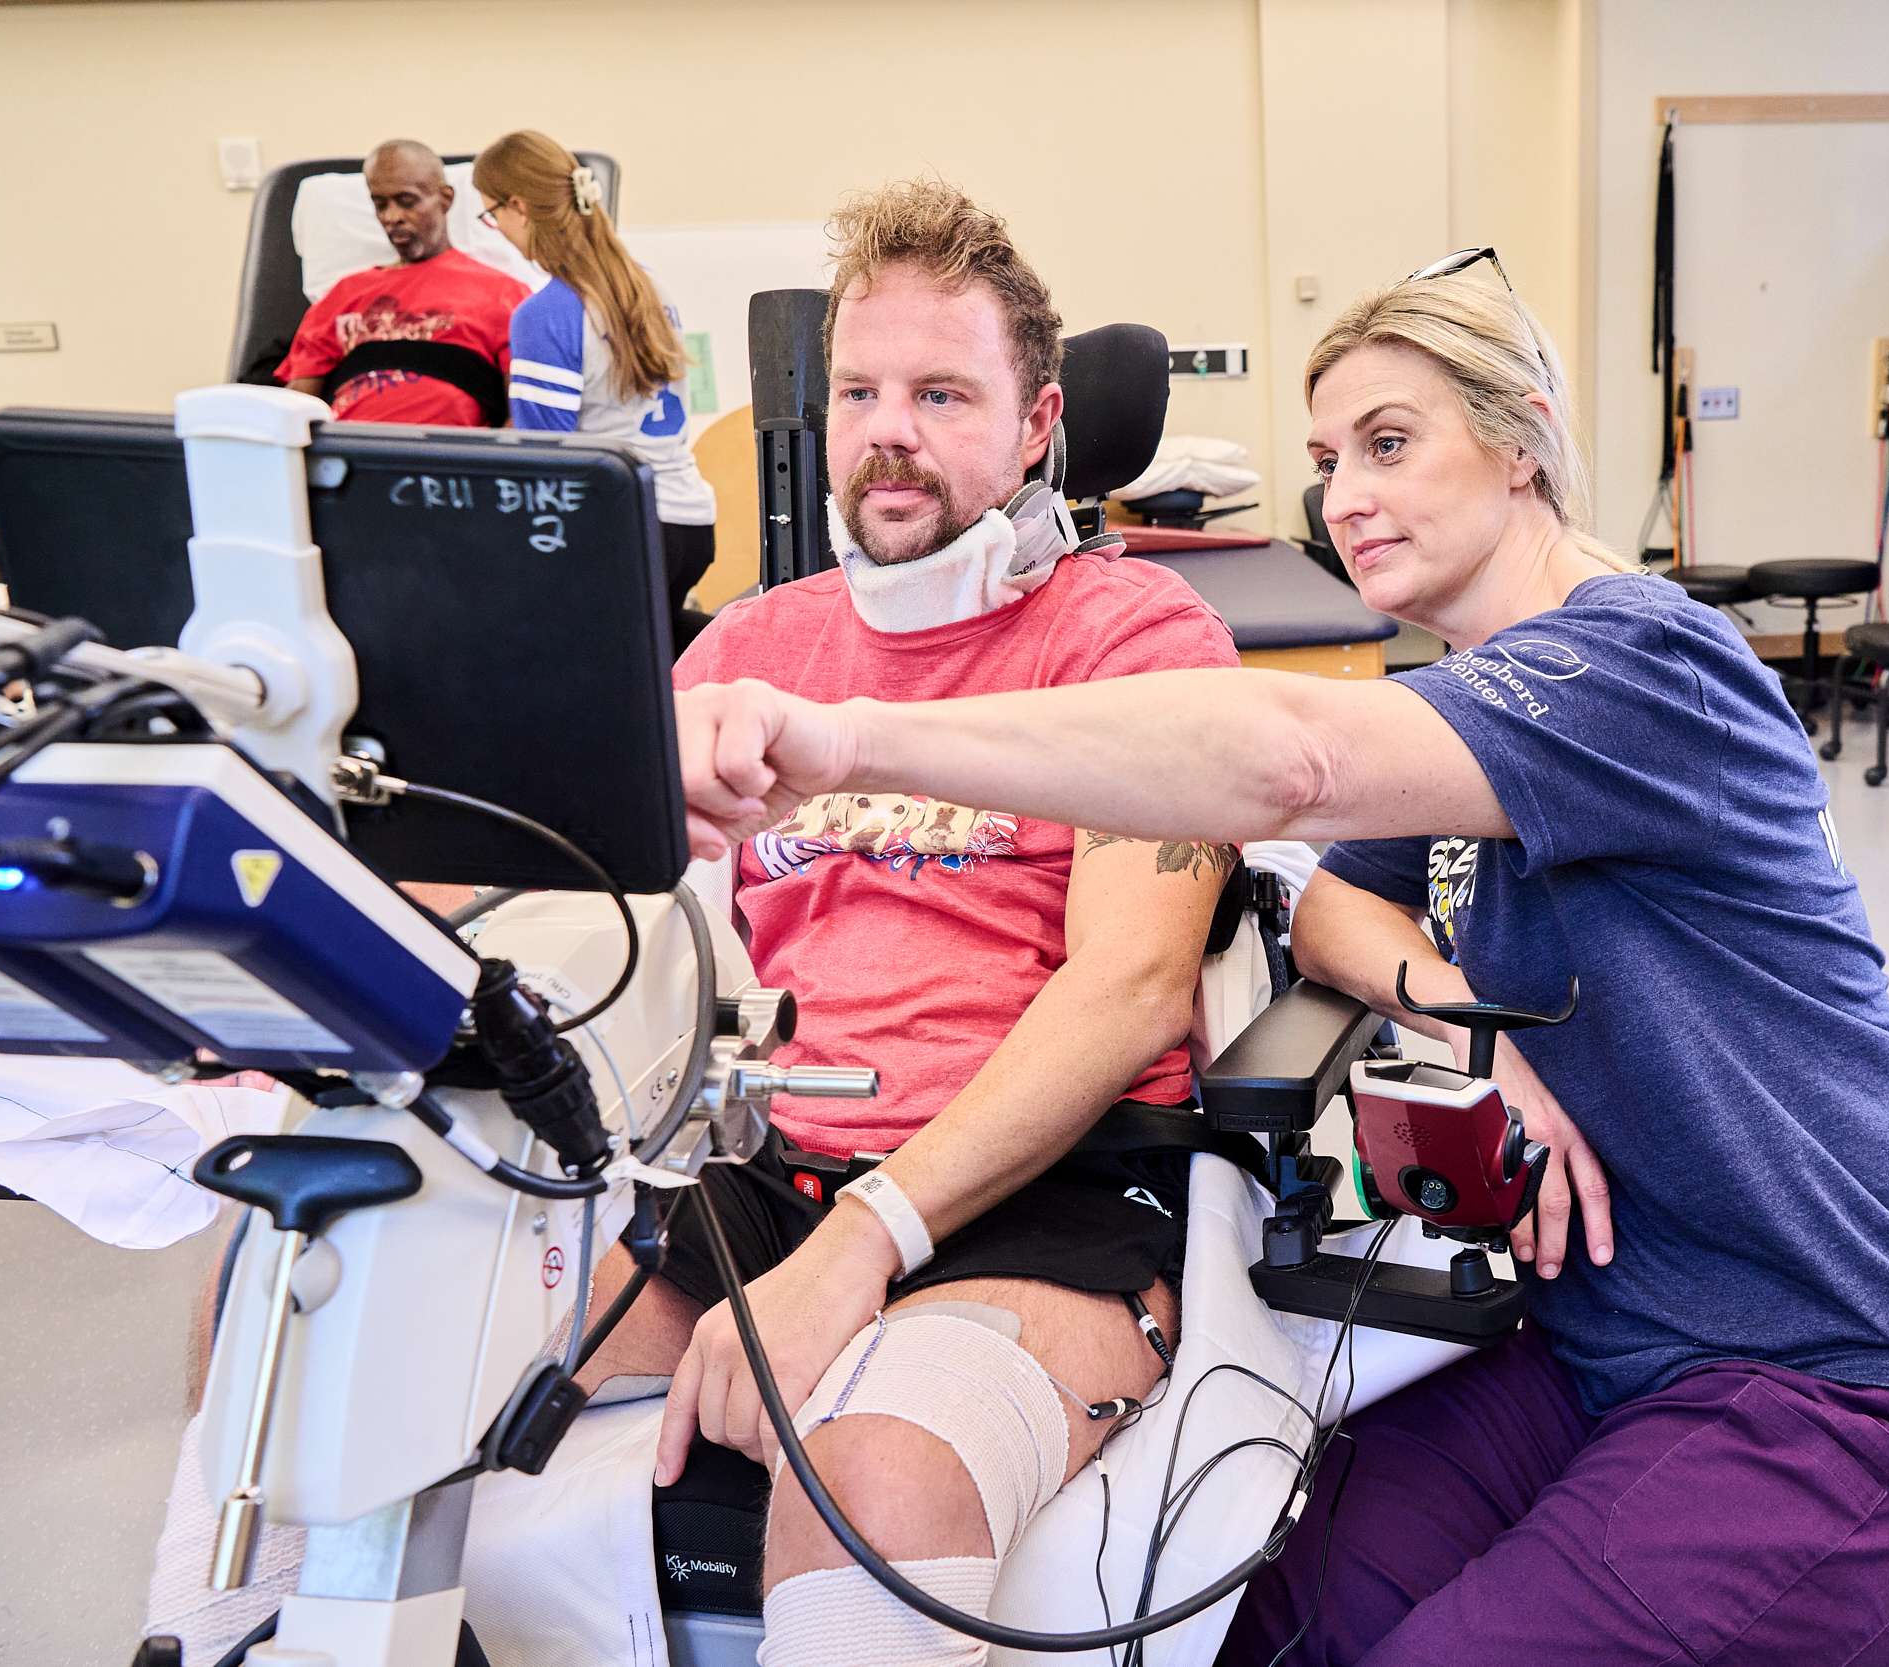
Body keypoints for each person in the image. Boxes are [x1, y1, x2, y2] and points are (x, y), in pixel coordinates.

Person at [669, 251, 1889, 1666]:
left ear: (1520, 438)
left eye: (1392, 444)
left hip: (1853, 1373)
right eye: (1329, 457)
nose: (1345, 496)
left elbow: (1289, 766)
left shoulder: (1647, 663)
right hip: (1600, 1337)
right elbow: (1337, 904)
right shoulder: (1469, 707)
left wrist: (846, 737)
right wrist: (1482, 1028)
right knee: (1254, 1617)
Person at [575, 179, 1243, 1666]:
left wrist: (871, 1238)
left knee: (867, 1479)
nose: (891, 427)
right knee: (367, 1329)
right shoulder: (749, 646)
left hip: (1049, 1185)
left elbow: (1133, 986)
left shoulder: (1137, 643)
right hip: (764, 1162)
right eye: (865, 390)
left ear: (1033, 424)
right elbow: (593, 908)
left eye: (944, 393)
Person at [473, 130, 720, 630]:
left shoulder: (544, 315)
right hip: (689, 520)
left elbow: (547, 465)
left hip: (622, 529)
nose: (495, 227)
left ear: (518, 206)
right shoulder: (650, 285)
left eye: (492, 213)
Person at [277, 139, 530, 426]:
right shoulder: (342, 295)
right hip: (347, 457)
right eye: (380, 204)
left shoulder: (504, 294)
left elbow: (523, 415)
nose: (392, 217)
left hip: (452, 459)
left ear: (445, 199)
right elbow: (296, 410)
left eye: (407, 202)